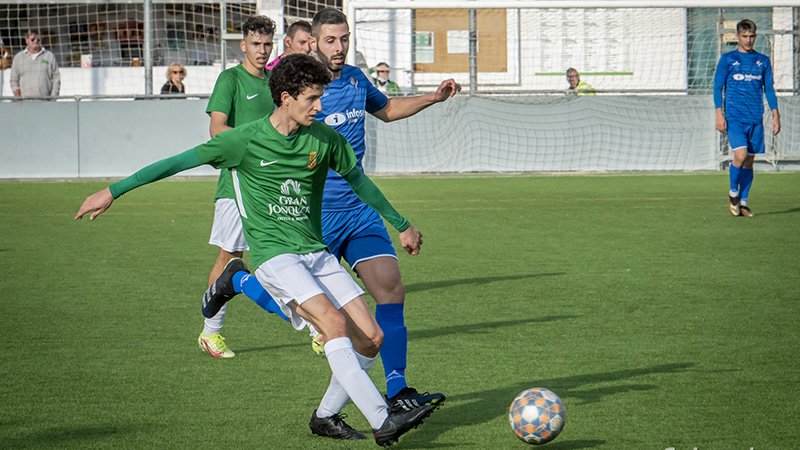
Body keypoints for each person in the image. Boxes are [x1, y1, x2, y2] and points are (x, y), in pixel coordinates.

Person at [75, 53, 438, 446]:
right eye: (312, 99)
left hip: (315, 250)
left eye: (321, 97)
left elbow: (360, 183)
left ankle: (325, 416)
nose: (320, 107)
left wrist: (402, 224)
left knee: (371, 337)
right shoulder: (242, 141)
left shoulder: (324, 138)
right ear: (285, 98)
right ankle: (383, 419)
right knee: (332, 324)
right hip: (275, 256)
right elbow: (174, 163)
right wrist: (111, 192)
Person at [229, 7, 460, 414]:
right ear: (312, 41)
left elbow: (386, 110)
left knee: (390, 288)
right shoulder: (299, 91)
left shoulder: (355, 79)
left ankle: (398, 389)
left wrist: (432, 98)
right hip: (311, 217)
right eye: (331, 40)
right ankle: (239, 282)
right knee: (309, 315)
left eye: (345, 39)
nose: (339, 48)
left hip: (358, 209)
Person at [199, 15, 280, 358]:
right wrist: (256, 143)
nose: (262, 51)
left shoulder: (276, 81)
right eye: (255, 44)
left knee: (283, 253)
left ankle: (317, 327)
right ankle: (210, 332)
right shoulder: (230, 79)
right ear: (243, 45)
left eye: (266, 44)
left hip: (271, 185)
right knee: (230, 256)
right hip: (236, 183)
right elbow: (217, 130)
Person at [714, 19, 780, 218]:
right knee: (740, 156)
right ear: (738, 37)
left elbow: (769, 89)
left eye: (751, 36)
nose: (748, 40)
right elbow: (718, 88)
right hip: (734, 117)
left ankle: (742, 203)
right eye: (744, 36)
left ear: (755, 36)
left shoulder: (763, 61)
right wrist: (719, 113)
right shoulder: (728, 60)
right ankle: (733, 193)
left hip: (755, 118)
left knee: (750, 161)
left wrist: (776, 114)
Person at [10, 30, 60, 98]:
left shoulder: (49, 56)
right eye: (32, 39)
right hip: (25, 103)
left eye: (38, 39)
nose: (36, 41)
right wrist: (19, 98)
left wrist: (53, 99)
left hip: (45, 103)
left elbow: (56, 79)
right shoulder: (18, 58)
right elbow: (13, 81)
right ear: (27, 40)